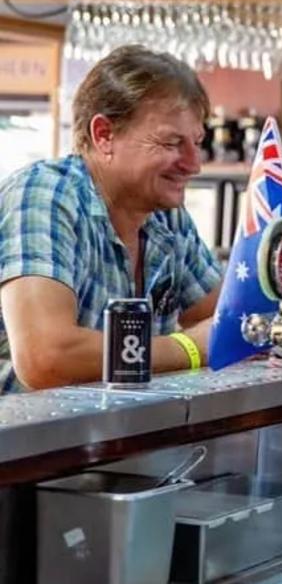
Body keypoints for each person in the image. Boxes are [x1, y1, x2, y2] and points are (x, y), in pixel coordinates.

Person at [0, 45, 222, 393]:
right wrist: (190, 348)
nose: (194, 164)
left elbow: (233, 320)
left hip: (115, 440)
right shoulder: (47, 194)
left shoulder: (167, 219)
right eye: (171, 142)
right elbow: (45, 358)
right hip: (25, 445)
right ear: (104, 134)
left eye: (196, 142)